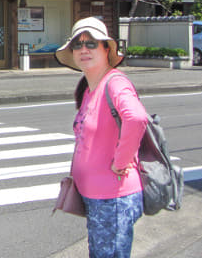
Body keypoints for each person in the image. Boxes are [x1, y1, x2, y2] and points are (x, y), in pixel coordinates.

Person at [55, 17, 149, 258]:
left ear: (107, 49)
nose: (84, 49)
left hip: (113, 197)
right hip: (97, 196)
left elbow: (137, 118)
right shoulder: (89, 88)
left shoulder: (116, 83)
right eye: (78, 44)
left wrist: (121, 162)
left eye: (92, 43)